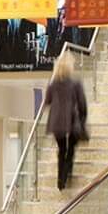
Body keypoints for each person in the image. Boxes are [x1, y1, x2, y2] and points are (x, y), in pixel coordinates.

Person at [45, 50, 89, 190]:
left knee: (61, 149)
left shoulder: (53, 84)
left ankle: (60, 179)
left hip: (56, 122)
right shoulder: (75, 83)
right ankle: (67, 174)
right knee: (70, 149)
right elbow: (82, 104)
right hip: (71, 121)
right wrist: (82, 119)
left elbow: (48, 101)